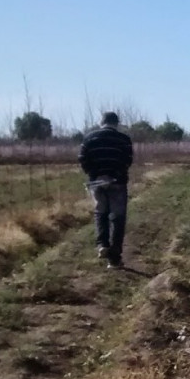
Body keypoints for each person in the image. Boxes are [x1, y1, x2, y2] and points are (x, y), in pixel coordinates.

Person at [78, 111, 133, 269]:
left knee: (100, 213)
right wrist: (112, 176)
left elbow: (82, 158)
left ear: (101, 122)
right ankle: (114, 259)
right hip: (117, 183)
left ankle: (102, 244)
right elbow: (127, 161)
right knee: (118, 218)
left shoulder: (89, 138)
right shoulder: (124, 139)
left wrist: (96, 175)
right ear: (116, 123)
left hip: (96, 183)